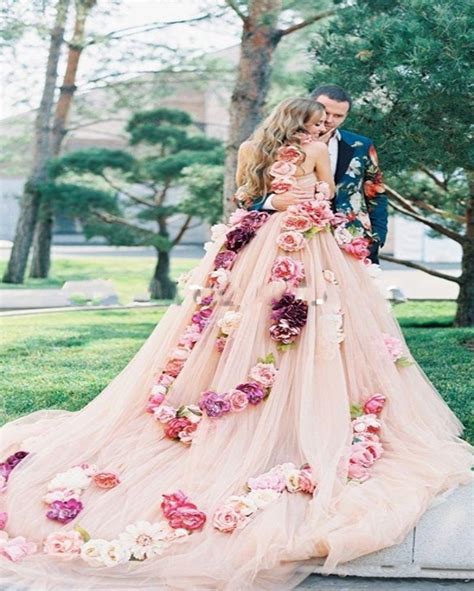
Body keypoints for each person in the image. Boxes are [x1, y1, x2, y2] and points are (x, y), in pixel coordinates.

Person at [0, 97, 471, 591]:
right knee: (263, 321)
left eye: (326, 121)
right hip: (282, 239)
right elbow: (285, 196)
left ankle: (296, 403)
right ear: (296, 121)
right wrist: (288, 202)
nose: (321, 128)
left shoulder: (283, 148)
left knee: (290, 319)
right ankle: (264, 403)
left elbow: (291, 196)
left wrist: (294, 205)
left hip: (288, 241)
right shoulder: (280, 149)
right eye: (314, 121)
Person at [247, 85, 388, 265]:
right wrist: (271, 202)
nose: (329, 120)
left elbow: (376, 192)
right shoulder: (269, 147)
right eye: (325, 112)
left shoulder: (361, 145)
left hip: (352, 240)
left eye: (338, 116)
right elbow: (245, 195)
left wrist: (377, 237)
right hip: (291, 237)